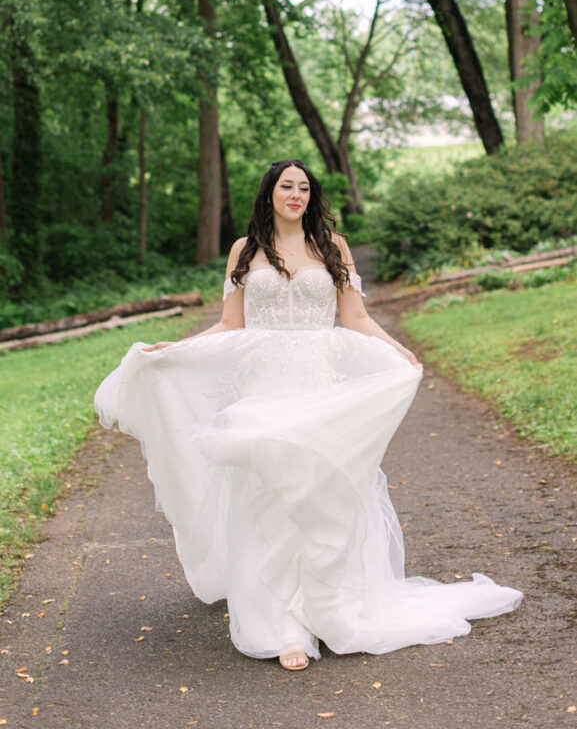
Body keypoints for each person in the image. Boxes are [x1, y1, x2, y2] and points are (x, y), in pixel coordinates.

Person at [94, 159, 522, 671]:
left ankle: (332, 610)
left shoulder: (331, 246)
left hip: (321, 387)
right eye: (285, 186)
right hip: (264, 387)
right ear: (269, 193)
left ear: (310, 196)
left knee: (324, 496)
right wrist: (176, 348)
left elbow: (355, 316)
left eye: (303, 187)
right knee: (269, 499)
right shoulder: (244, 251)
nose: (295, 194)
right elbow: (230, 324)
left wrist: (398, 349)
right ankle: (282, 626)